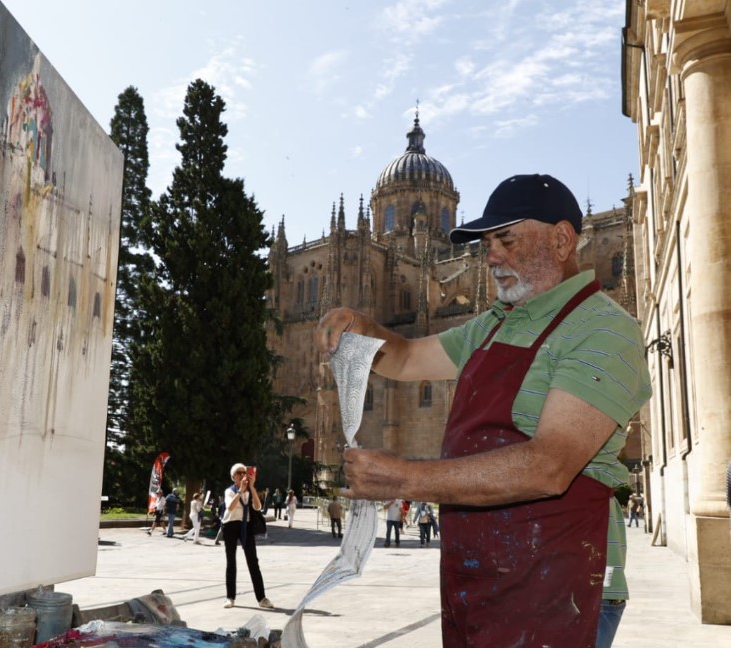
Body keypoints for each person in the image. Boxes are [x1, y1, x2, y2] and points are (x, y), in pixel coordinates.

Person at [315, 173, 652, 647]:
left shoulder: (603, 329)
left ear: (561, 239)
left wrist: (405, 479)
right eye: (488, 242)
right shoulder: (492, 325)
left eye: (506, 239)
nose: (491, 255)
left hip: (561, 587)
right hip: (479, 582)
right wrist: (361, 326)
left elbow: (549, 466)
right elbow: (408, 357)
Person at [221, 463, 273, 610]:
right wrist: (240, 491)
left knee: (253, 561)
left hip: (246, 525)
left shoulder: (250, 491)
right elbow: (230, 507)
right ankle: (230, 597)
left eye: (245, 472)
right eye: (239, 473)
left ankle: (261, 598)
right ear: (233, 477)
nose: (243, 475)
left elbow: (258, 507)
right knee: (231, 562)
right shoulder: (229, 491)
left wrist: (251, 488)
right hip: (230, 525)